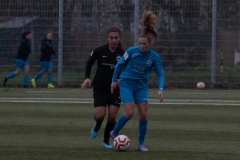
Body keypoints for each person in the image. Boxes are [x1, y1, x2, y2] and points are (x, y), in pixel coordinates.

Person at [110, 11, 164, 152]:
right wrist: (113, 80)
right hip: (127, 83)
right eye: (139, 43)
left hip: (141, 86)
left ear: (149, 43)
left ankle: (140, 145)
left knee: (144, 114)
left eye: (144, 44)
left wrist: (160, 89)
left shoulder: (154, 57)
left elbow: (160, 74)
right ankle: (114, 132)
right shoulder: (132, 51)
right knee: (129, 113)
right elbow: (119, 64)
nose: (141, 46)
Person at [81, 28, 124, 148]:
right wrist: (87, 78)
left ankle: (106, 141)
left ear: (119, 38)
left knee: (112, 115)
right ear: (107, 38)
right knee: (100, 115)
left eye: (116, 38)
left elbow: (127, 69)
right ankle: (97, 124)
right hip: (100, 85)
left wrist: (120, 79)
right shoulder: (99, 50)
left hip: (115, 87)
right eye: (111, 38)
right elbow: (89, 63)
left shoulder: (123, 54)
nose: (114, 40)